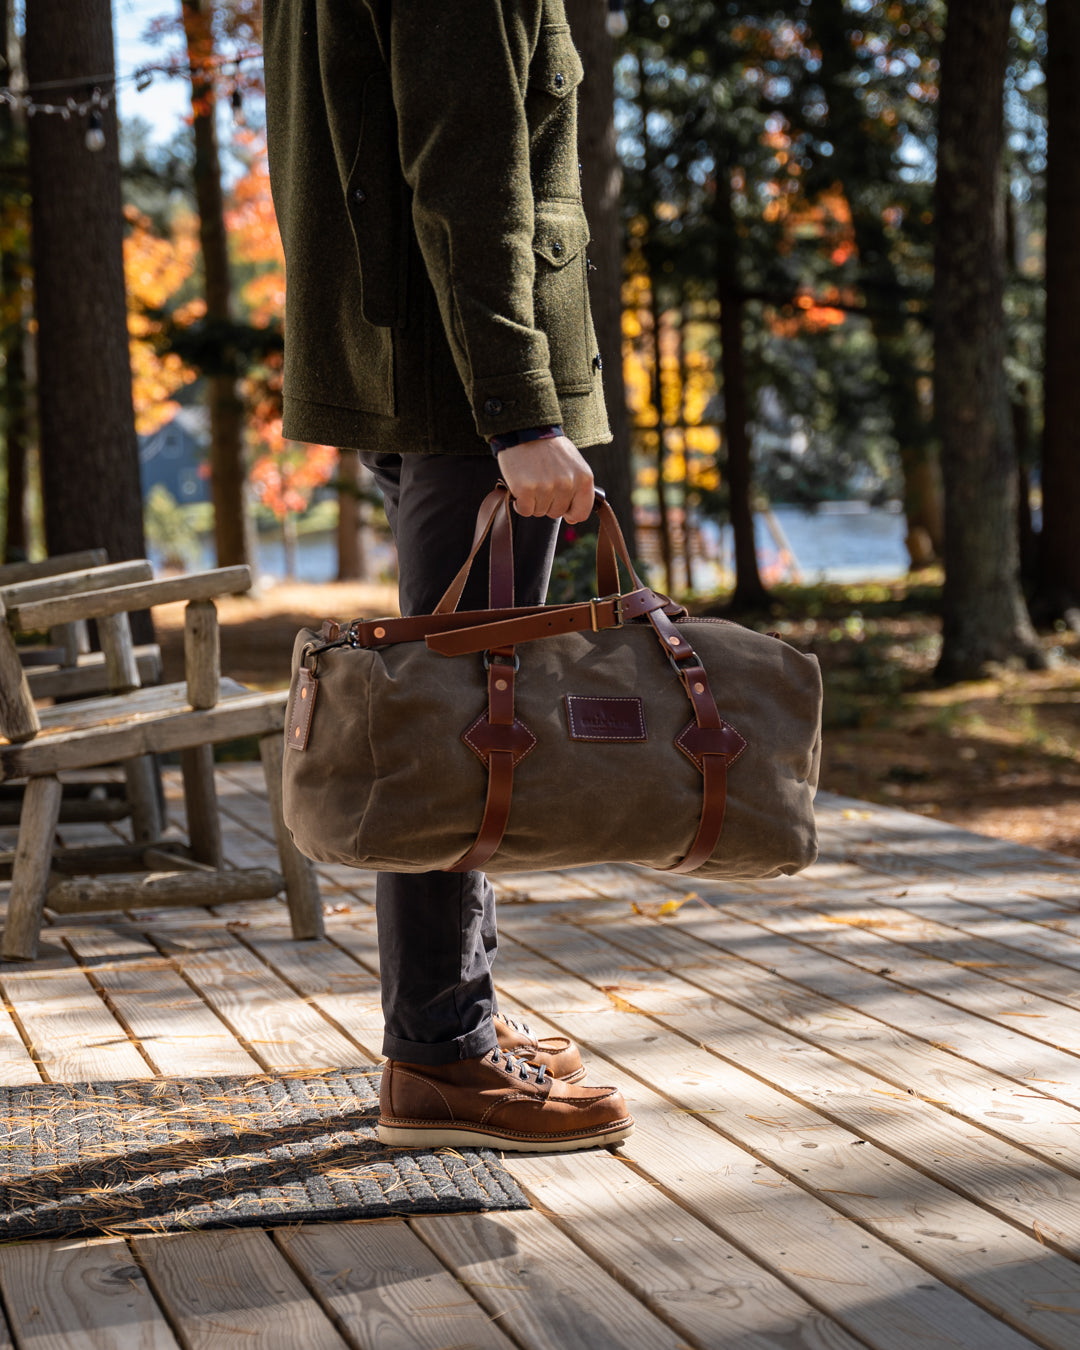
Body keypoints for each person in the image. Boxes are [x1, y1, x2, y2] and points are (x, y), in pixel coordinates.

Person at [263, 0, 633, 1151]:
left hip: (419, 371)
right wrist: (520, 411)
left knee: (469, 716)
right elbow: (465, 175)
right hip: (470, 393)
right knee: (451, 724)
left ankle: (455, 1021)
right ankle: (438, 1058)